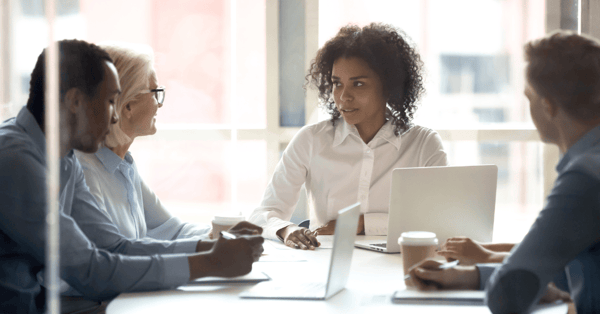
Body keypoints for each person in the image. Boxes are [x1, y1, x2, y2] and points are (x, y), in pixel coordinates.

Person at [0, 39, 263, 314]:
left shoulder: (65, 158)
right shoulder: (15, 159)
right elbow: (91, 272)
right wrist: (210, 264)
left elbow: (115, 246)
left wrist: (208, 248)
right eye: (111, 102)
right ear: (75, 101)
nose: (115, 117)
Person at [407, 30, 600, 314]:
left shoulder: (585, 178)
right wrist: (469, 276)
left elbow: (507, 294)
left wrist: (503, 280)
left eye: (529, 97)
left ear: (547, 107)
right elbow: (570, 266)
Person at [248, 23, 448, 249]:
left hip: (398, 266)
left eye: (359, 84)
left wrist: (360, 224)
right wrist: (288, 229)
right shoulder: (311, 140)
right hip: (325, 264)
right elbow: (263, 214)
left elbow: (440, 223)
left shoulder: (423, 145)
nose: (343, 97)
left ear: (389, 86)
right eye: (337, 84)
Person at [73, 43, 216, 242]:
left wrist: (225, 234)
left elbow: (172, 230)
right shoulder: (83, 171)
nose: (160, 103)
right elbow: (114, 255)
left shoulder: (123, 166)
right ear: (128, 105)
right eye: (155, 92)